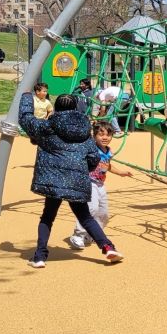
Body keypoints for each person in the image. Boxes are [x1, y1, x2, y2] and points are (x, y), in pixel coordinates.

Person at [19, 92, 123, 268]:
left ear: (56, 108)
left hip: (52, 180)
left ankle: (40, 256)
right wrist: (83, 170)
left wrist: (27, 97)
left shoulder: (46, 126)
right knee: (85, 217)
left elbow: (25, 118)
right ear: (75, 109)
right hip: (76, 180)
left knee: (47, 217)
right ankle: (107, 247)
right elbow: (93, 158)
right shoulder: (85, 132)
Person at [66, 121, 133, 250]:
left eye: (108, 135)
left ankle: (92, 233)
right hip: (89, 182)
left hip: (100, 184)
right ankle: (78, 235)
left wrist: (121, 173)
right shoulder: (91, 149)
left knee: (104, 213)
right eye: (101, 134)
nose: (105, 137)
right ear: (94, 136)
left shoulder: (108, 151)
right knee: (91, 209)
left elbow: (108, 166)